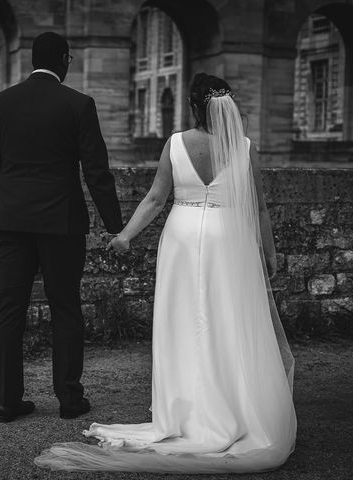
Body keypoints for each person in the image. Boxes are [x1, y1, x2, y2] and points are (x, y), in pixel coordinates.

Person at [34, 73, 297, 473]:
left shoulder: (176, 143)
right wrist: (270, 252)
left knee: (183, 322)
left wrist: (124, 236)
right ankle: (235, 408)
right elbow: (258, 207)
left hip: (183, 239)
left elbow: (156, 198)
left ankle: (183, 413)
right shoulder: (245, 147)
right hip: (231, 241)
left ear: (193, 106)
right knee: (230, 322)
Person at [0, 32, 123, 423]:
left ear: (31, 60)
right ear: (63, 59)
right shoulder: (78, 104)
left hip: (10, 220)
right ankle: (69, 400)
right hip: (62, 223)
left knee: (9, 307)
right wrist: (114, 226)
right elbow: (96, 171)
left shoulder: (0, 103)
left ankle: (8, 402)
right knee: (65, 307)